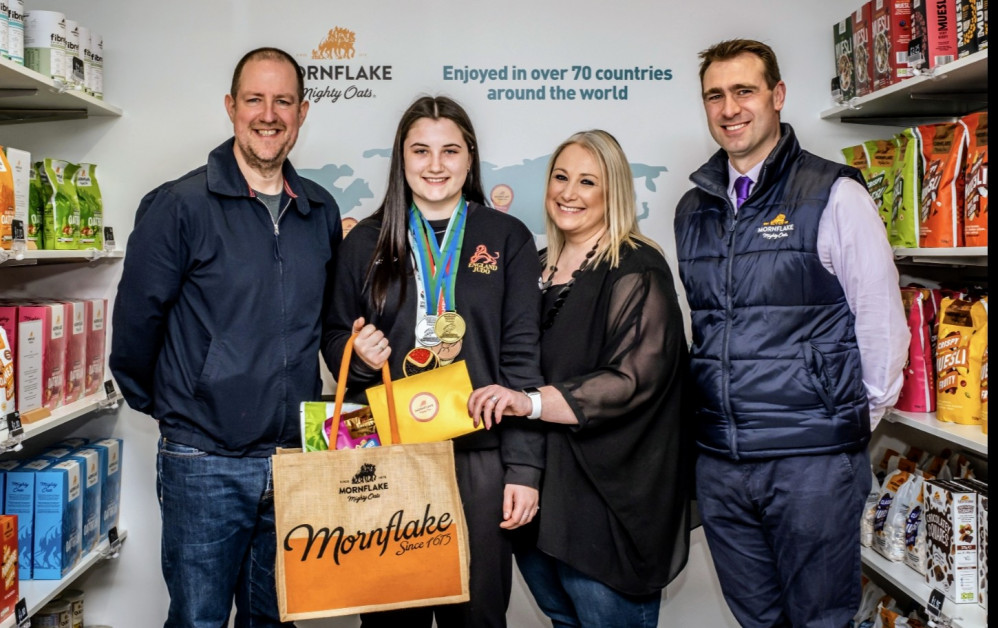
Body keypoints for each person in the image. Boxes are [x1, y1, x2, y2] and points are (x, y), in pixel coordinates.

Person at [673, 39, 908, 627]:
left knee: (821, 620)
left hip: (812, 463)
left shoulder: (834, 194)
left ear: (777, 96)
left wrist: (848, 421)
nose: (730, 108)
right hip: (723, 464)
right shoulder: (692, 209)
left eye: (744, 91)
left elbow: (881, 318)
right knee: (758, 619)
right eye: (715, 95)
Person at [110, 47, 341, 627]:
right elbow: (136, 327)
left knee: (274, 619)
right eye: (255, 100)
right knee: (199, 619)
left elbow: (328, 321)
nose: (269, 114)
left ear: (303, 112)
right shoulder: (179, 206)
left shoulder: (320, 210)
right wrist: (180, 409)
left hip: (293, 458)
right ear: (231, 107)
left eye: (283, 101)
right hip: (204, 461)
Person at [321, 95, 545, 628]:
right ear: (402, 158)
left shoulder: (506, 237)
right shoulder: (365, 242)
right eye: (421, 151)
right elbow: (333, 334)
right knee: (392, 618)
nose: (436, 165)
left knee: (479, 616)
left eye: (450, 150)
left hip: (479, 456)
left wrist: (525, 469)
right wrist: (356, 355)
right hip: (387, 453)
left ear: (470, 157)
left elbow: (521, 358)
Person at [469, 129, 691, 628]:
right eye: (561, 177)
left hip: (606, 507)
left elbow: (631, 380)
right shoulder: (536, 266)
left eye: (587, 181)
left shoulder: (637, 268)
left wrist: (527, 402)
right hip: (537, 500)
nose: (569, 193)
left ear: (613, 192)